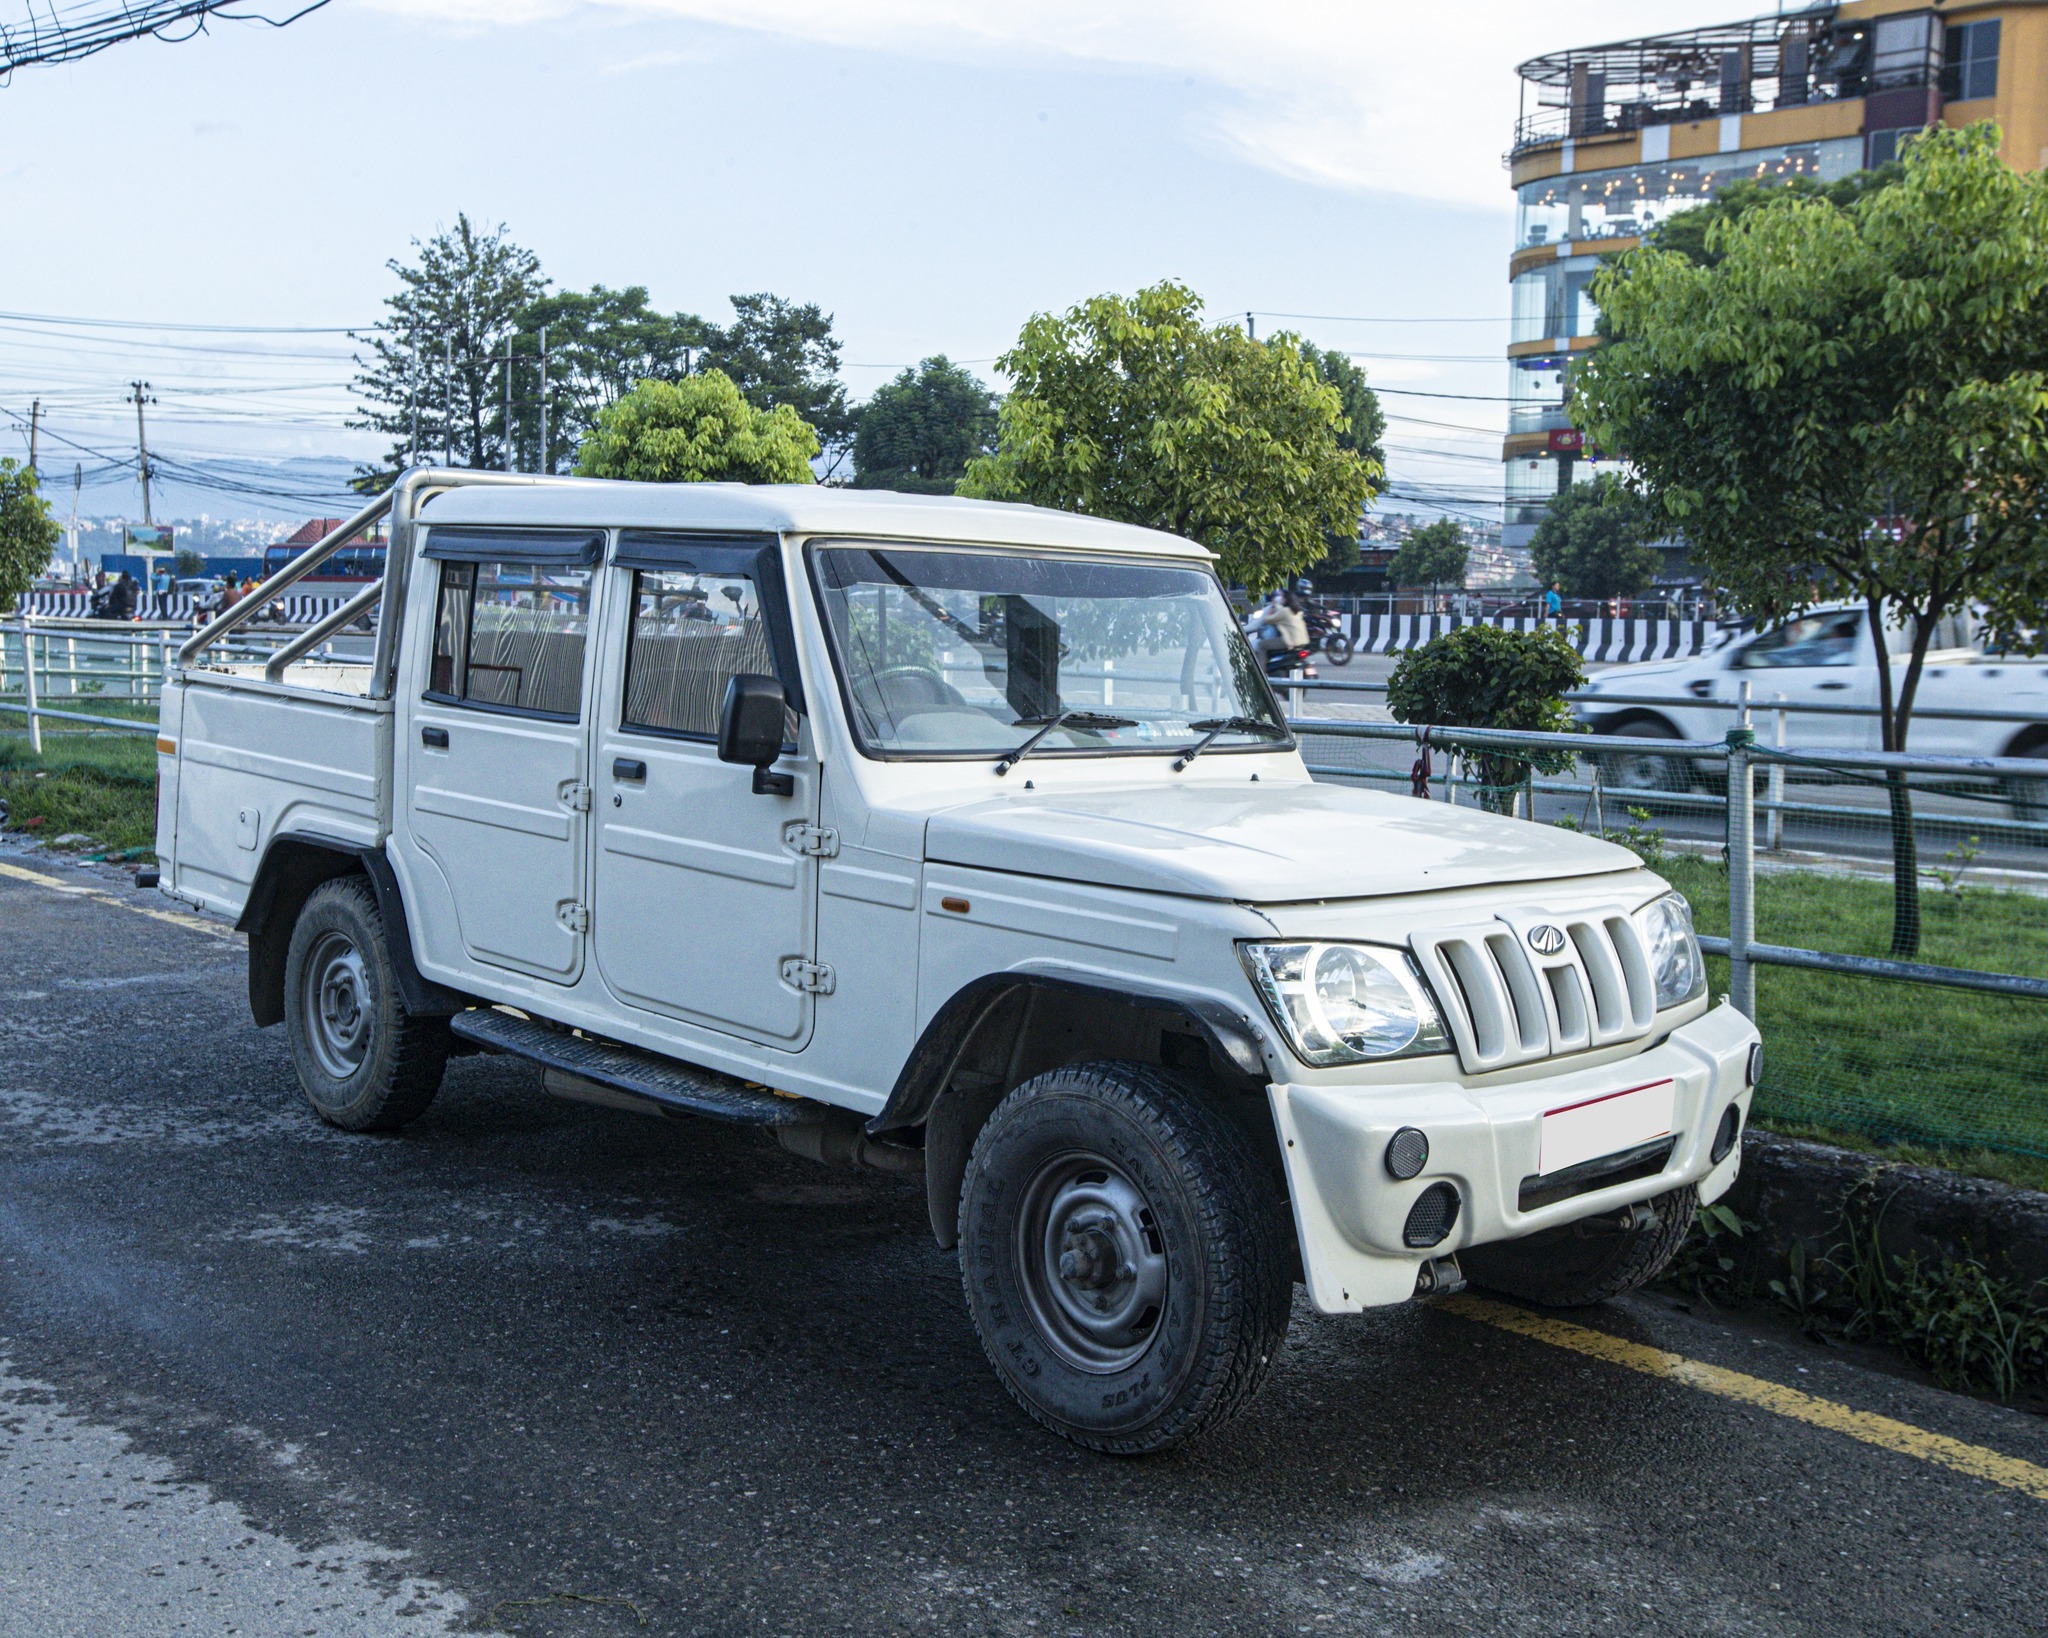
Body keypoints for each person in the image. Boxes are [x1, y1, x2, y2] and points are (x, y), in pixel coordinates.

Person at [1247, 589, 1308, 665]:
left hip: (1289, 641)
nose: (1280, 599)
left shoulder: (1284, 611)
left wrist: (1272, 609)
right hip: (1302, 641)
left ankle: (1261, 669)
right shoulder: (1298, 611)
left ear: (1286, 599)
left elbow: (1268, 620)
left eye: (1282, 597)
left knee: (1261, 645)